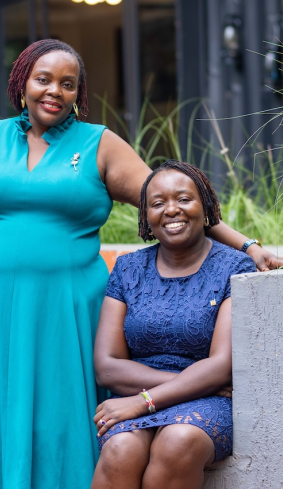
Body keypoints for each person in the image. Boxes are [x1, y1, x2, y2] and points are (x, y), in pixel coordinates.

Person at [0, 39, 283, 489]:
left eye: (68, 84)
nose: (55, 91)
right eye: (43, 79)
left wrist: (248, 246)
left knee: (57, 413)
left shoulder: (98, 145)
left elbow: (175, 198)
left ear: (78, 94)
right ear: (22, 82)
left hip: (62, 307)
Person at [91, 160, 253, 489]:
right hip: (145, 391)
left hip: (210, 401)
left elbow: (221, 366)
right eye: (158, 203)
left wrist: (144, 401)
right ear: (146, 216)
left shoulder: (234, 267)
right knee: (120, 448)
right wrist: (163, 391)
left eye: (183, 199)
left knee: (176, 442)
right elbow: (107, 367)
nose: (171, 210)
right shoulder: (128, 269)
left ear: (205, 206)